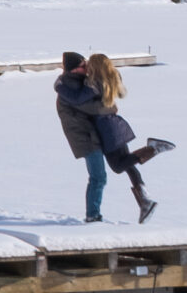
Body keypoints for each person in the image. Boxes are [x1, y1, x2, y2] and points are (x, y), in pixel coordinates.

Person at [83, 51, 176, 222]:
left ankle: (154, 148)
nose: (86, 66)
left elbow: (82, 100)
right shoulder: (108, 80)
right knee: (127, 163)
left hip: (107, 130)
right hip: (114, 126)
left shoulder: (94, 84)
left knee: (119, 166)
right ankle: (145, 201)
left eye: (89, 63)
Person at [53, 51, 115, 222]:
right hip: (84, 137)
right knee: (98, 176)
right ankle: (93, 215)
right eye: (83, 65)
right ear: (74, 70)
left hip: (91, 134)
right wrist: (111, 108)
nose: (87, 67)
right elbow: (91, 108)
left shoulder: (77, 83)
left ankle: (94, 214)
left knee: (103, 173)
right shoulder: (69, 88)